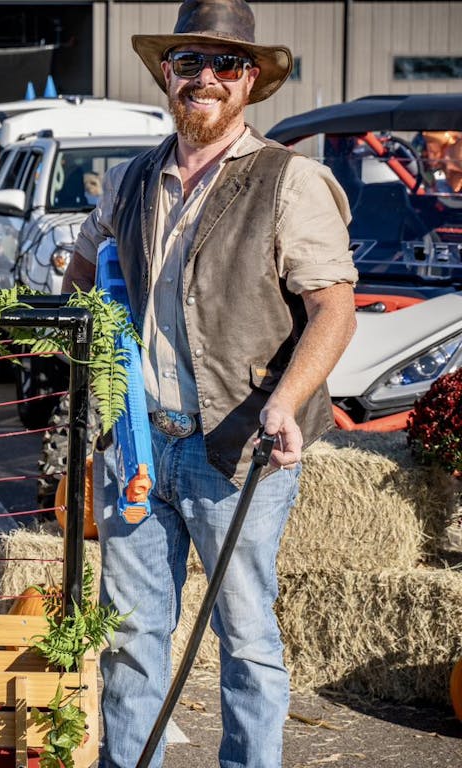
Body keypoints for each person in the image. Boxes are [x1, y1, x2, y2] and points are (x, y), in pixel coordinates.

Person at [62, 1, 358, 766]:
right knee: (129, 634)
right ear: (167, 72)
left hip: (236, 445)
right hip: (134, 444)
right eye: (189, 61)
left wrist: (287, 405)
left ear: (250, 81)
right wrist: (81, 326)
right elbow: (84, 268)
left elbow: (333, 309)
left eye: (226, 64)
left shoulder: (292, 180)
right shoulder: (130, 179)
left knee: (247, 636)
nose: (205, 78)